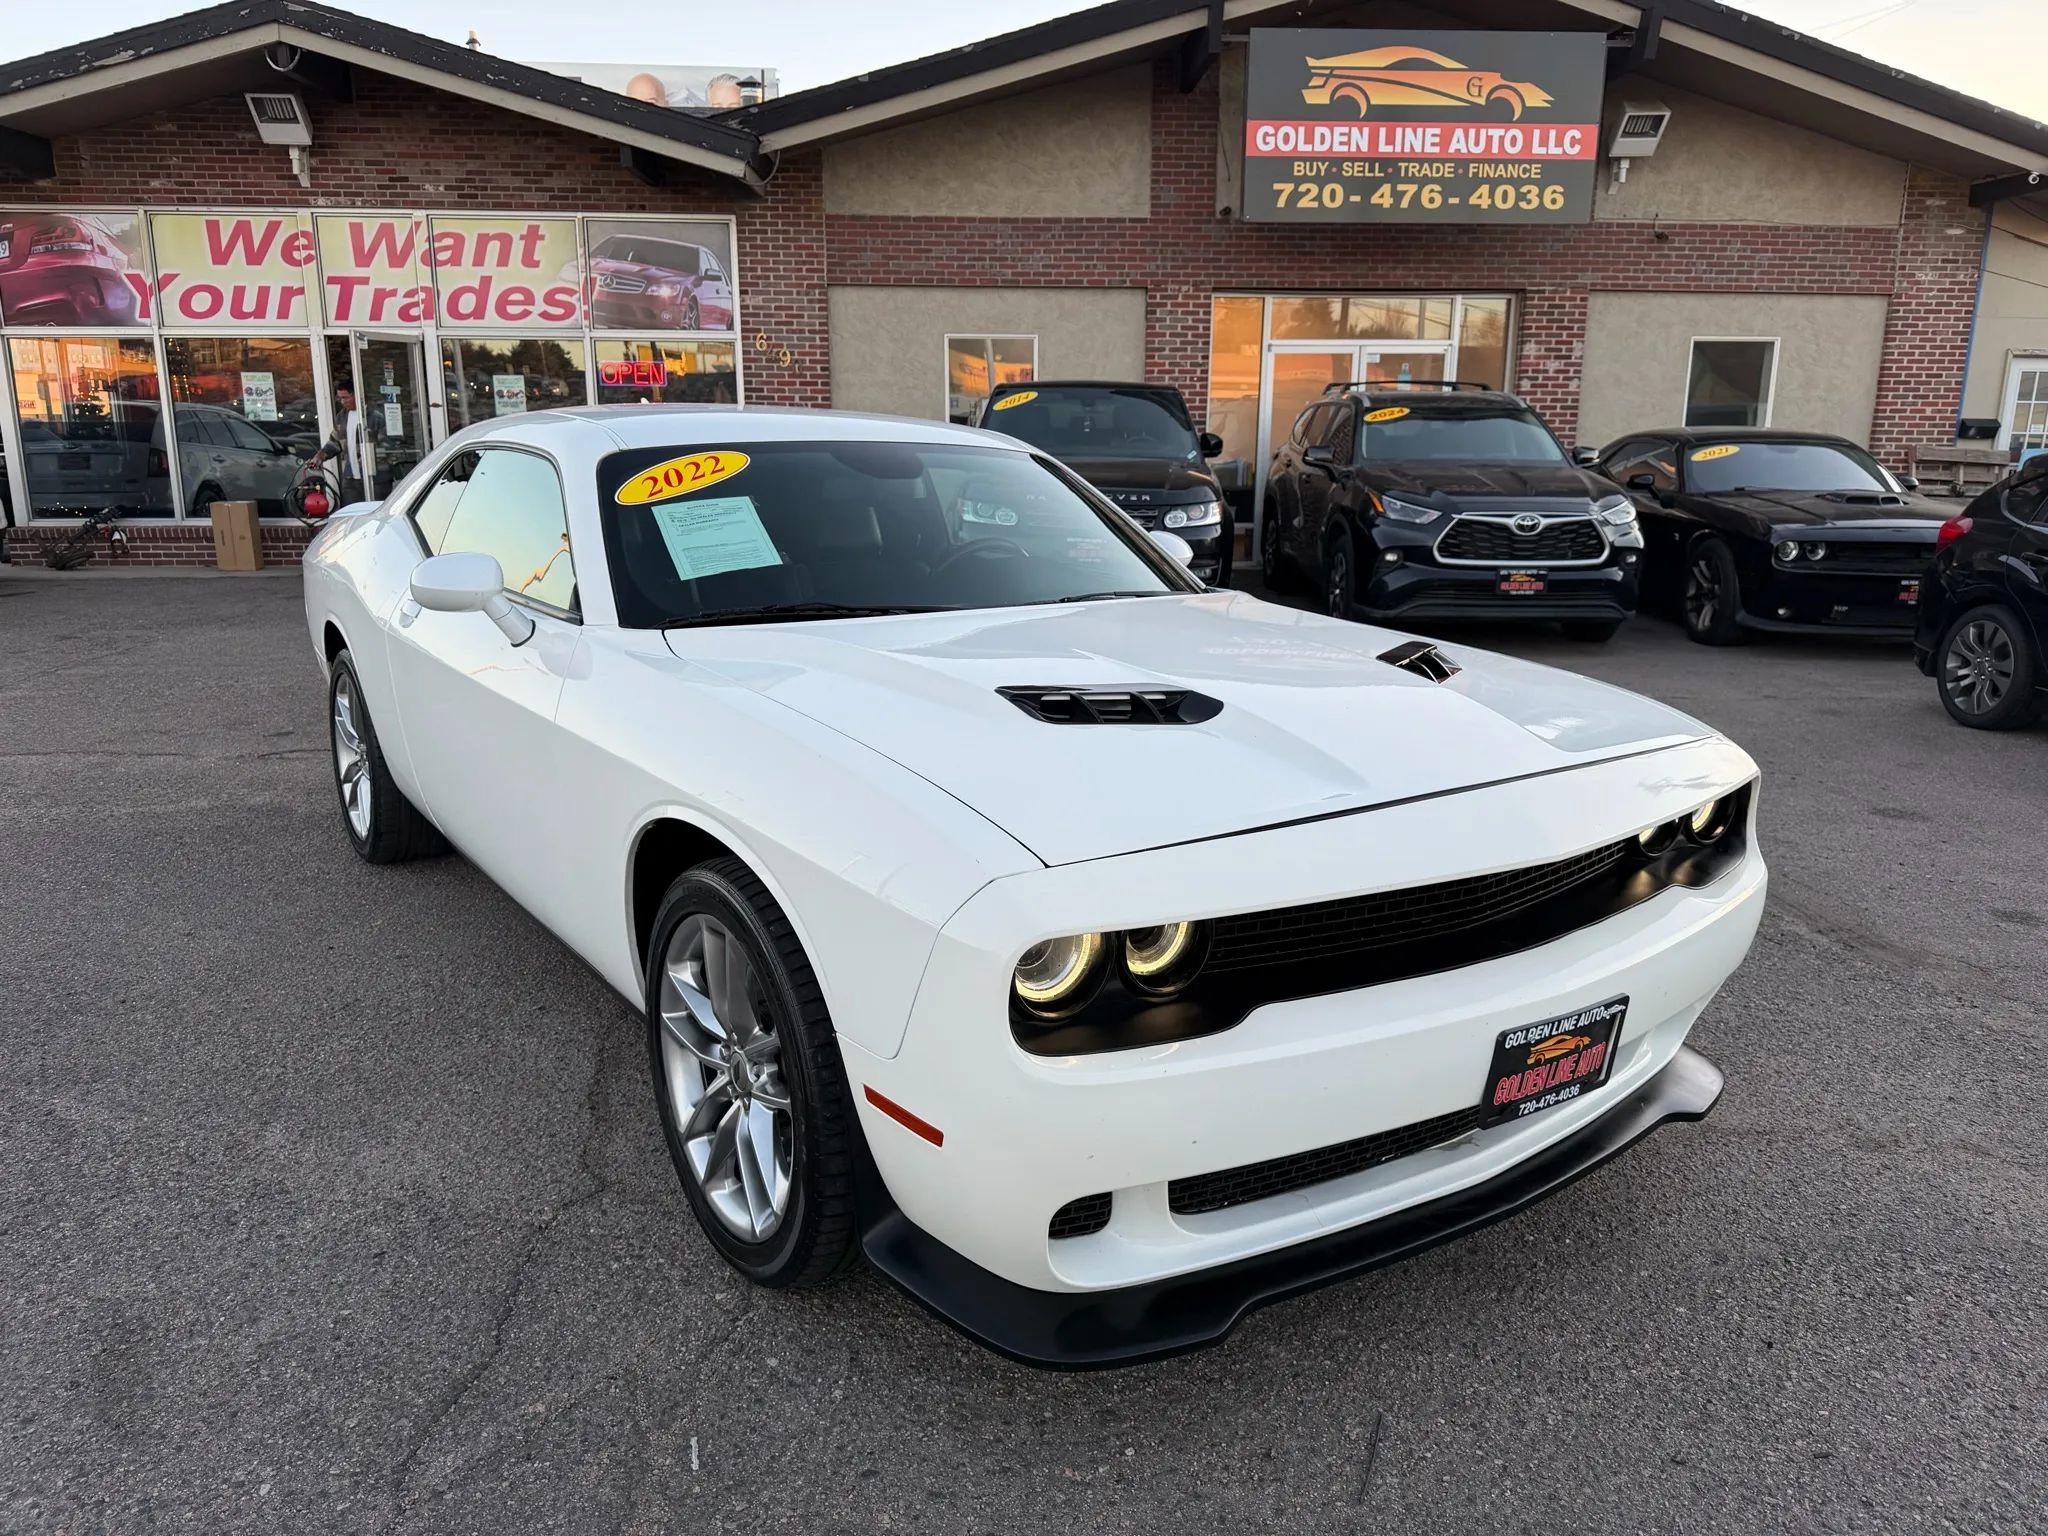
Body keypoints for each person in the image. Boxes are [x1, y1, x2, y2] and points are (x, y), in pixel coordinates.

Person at [308, 385, 366, 506]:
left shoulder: (373, 414)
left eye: (346, 397)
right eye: (340, 398)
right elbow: (335, 442)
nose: (343, 401)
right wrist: (320, 456)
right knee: (350, 512)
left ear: (356, 395)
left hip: (373, 476)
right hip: (351, 477)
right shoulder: (342, 416)